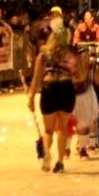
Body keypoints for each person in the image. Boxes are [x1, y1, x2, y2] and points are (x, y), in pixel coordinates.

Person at [28, 20, 77, 173]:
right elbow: (77, 74)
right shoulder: (70, 53)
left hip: (49, 89)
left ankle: (46, 156)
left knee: (48, 130)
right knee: (62, 128)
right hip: (66, 88)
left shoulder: (44, 54)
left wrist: (31, 98)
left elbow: (36, 78)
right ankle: (60, 161)